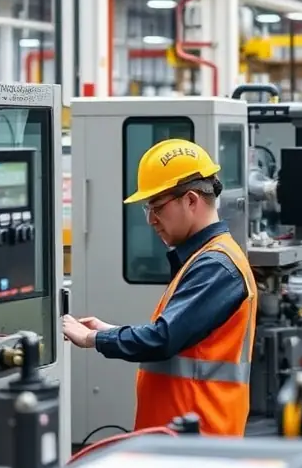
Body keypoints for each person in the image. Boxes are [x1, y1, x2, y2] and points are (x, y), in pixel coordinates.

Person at [61, 138, 257, 436]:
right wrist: (110, 330)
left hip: (199, 438)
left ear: (191, 200)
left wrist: (93, 338)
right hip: (185, 435)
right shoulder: (205, 259)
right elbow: (177, 339)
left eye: (158, 207)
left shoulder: (216, 266)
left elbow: (163, 338)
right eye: (147, 208)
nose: (151, 220)